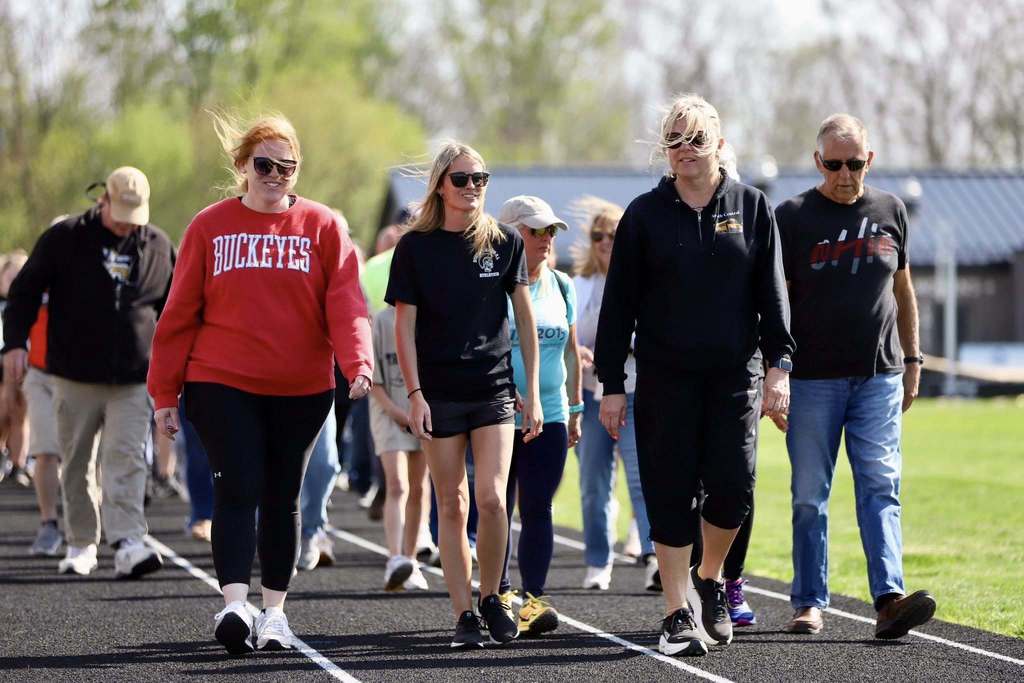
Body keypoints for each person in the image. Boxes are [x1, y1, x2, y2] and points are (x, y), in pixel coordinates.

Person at [147, 112, 372, 655]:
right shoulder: (209, 226)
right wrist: (164, 393)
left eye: (286, 166)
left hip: (300, 387)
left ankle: (273, 614)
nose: (275, 174)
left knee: (282, 497)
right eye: (264, 164)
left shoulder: (322, 226)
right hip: (221, 380)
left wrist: (357, 362)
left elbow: (345, 301)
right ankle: (232, 604)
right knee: (237, 485)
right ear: (243, 166)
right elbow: (179, 314)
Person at [595, 93, 795, 657]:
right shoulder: (643, 215)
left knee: (733, 488)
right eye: (675, 140)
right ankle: (677, 611)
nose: (685, 150)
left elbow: (773, 297)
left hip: (736, 373)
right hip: (663, 376)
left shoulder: (753, 207)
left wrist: (780, 367)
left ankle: (708, 579)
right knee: (670, 493)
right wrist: (612, 384)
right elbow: (618, 308)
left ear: (720, 144)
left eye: (696, 139)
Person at [774, 113, 935, 640]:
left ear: (871, 159)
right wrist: (774, 373)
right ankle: (808, 602)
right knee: (808, 493)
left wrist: (913, 359)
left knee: (881, 486)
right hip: (811, 380)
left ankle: (889, 599)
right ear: (818, 161)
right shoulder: (791, 217)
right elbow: (772, 304)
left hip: (879, 378)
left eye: (856, 163)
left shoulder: (891, 211)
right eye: (836, 163)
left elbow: (903, 291)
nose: (846, 174)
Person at [386, 141, 542, 648]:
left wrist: (532, 391)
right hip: (438, 392)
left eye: (480, 178)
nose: (472, 187)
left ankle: (493, 596)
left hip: (493, 388)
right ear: (440, 185)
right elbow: (403, 329)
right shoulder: (414, 247)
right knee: (450, 504)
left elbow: (524, 318)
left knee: (493, 498)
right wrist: (414, 394)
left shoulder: (503, 242)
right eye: (462, 179)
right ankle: (463, 613)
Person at [3, 168, 174, 579]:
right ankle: (82, 543)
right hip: (74, 376)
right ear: (102, 200)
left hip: (133, 379)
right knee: (76, 462)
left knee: (126, 458)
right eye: (119, 213)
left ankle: (128, 542)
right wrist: (13, 345)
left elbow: (175, 308)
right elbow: (24, 291)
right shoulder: (66, 238)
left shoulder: (158, 246)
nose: (126, 222)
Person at [495, 195, 582, 636]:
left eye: (551, 231)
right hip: (497, 413)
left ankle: (534, 597)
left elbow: (571, 351)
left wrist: (576, 407)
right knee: (497, 505)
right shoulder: (491, 286)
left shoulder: (561, 284)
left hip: (551, 413)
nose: (546, 239)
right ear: (510, 234)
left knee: (538, 505)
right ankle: (499, 592)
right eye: (535, 231)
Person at [570, 197, 660, 593]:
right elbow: (568, 338)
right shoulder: (578, 286)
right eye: (598, 235)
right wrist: (583, 352)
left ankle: (655, 557)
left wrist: (623, 345)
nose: (606, 241)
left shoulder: (646, 282)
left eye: (614, 234)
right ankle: (597, 560)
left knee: (643, 480)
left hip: (637, 391)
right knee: (593, 482)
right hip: (591, 394)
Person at [369, 303, 430, 591]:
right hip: (388, 413)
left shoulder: (430, 315)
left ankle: (411, 557)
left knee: (419, 487)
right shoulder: (382, 321)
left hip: (423, 412)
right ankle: (394, 557)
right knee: (397, 484)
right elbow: (374, 379)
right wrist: (396, 412)